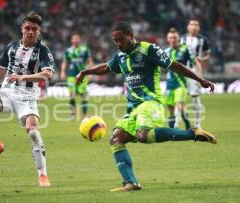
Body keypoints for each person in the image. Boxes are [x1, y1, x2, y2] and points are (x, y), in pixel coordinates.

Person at [76, 22, 217, 192]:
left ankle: (192, 133)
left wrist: (200, 79)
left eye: (121, 39)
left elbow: (174, 65)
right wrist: (85, 72)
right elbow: (106, 67)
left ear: (131, 36)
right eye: (115, 41)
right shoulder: (120, 56)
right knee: (116, 138)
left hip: (151, 102)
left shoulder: (148, 50)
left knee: (142, 135)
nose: (118, 44)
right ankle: (131, 182)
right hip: (133, 108)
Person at [0, 11, 54, 187]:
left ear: (39, 32)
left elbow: (47, 75)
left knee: (33, 131)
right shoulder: (12, 47)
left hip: (27, 96)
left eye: (34, 29)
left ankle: (42, 174)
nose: (30, 32)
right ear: (22, 28)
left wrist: (23, 78)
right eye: (27, 28)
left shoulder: (43, 51)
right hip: (8, 91)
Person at [180, 18, 211, 128]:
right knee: (179, 97)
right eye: (192, 24)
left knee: (195, 96)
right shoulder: (182, 39)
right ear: (188, 27)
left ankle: (197, 123)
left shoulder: (203, 40)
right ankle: (178, 122)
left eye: (196, 24)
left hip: (195, 70)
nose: (194, 26)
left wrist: (202, 58)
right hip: (182, 69)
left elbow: (207, 54)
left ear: (199, 27)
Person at [164, 28, 194, 129]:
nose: (172, 39)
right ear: (167, 39)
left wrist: (198, 76)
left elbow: (193, 62)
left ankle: (184, 125)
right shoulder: (165, 51)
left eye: (174, 37)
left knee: (179, 106)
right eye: (170, 38)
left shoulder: (185, 49)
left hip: (181, 83)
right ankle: (172, 131)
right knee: (170, 108)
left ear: (179, 39)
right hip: (169, 83)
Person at [60, 33, 93, 119]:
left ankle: (84, 114)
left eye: (77, 38)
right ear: (71, 40)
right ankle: (72, 112)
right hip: (71, 76)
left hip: (83, 75)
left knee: (83, 94)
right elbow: (65, 62)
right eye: (74, 38)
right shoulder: (69, 51)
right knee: (71, 95)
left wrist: (90, 72)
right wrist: (63, 71)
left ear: (79, 40)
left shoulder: (85, 49)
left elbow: (90, 61)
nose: (76, 40)